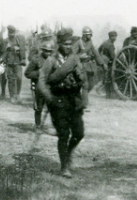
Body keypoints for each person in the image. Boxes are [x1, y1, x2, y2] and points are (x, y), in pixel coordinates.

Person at [38, 35, 86, 178]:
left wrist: (80, 77)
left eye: (70, 44)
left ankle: (68, 153)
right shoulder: (51, 61)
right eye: (65, 44)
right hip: (58, 100)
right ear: (59, 44)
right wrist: (50, 98)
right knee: (64, 134)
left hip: (74, 100)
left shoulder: (74, 60)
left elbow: (83, 79)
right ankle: (64, 166)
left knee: (79, 133)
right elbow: (42, 82)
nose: (68, 46)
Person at [72, 26, 107, 107]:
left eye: (91, 35)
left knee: (91, 84)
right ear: (84, 35)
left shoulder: (90, 42)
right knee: (85, 84)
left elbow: (95, 53)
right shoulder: (78, 43)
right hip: (81, 66)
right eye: (89, 35)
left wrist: (102, 63)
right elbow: (72, 55)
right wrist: (80, 56)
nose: (91, 36)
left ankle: (82, 98)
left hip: (89, 66)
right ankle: (84, 104)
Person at [25, 40, 55, 131]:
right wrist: (39, 73)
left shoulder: (54, 60)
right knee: (39, 108)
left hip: (50, 86)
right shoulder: (36, 59)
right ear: (42, 50)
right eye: (46, 51)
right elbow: (27, 73)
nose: (48, 53)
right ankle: (37, 125)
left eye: (50, 51)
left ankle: (56, 127)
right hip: (39, 86)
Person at [3, 25, 27, 104]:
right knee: (10, 79)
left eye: (12, 33)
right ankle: (12, 96)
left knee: (19, 78)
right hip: (9, 62)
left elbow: (23, 49)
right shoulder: (6, 41)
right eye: (10, 33)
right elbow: (3, 51)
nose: (11, 35)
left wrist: (19, 49)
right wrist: (6, 48)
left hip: (18, 62)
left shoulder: (18, 39)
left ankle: (17, 94)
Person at [98, 31, 118, 98]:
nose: (115, 38)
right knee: (107, 77)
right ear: (110, 37)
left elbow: (99, 49)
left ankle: (101, 90)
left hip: (103, 60)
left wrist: (101, 57)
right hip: (107, 61)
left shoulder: (105, 42)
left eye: (115, 36)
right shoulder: (110, 45)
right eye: (113, 37)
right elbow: (113, 56)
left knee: (105, 76)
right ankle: (107, 94)